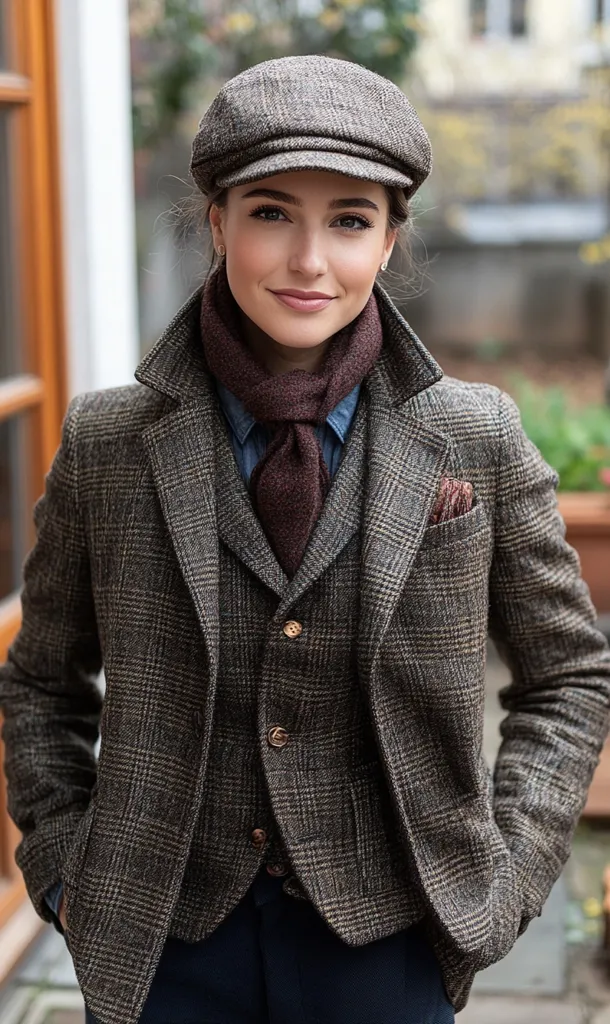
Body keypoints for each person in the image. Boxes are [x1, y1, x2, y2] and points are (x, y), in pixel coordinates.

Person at [1, 53, 610, 1024]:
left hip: (390, 941)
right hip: (164, 939)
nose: (309, 261)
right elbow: (41, 684)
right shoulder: (109, 441)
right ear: (217, 222)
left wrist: (506, 878)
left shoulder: (475, 436)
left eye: (350, 221)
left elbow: (570, 674)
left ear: (390, 239)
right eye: (272, 213)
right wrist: (66, 870)